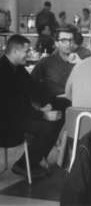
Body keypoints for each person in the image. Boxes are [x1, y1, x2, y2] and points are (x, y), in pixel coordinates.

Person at [0, 35, 63, 178]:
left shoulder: (18, 69)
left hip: (18, 116)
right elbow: (12, 108)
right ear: (15, 51)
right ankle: (23, 165)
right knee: (47, 126)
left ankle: (36, 157)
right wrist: (43, 114)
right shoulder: (2, 71)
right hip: (6, 124)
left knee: (62, 106)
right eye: (26, 51)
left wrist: (48, 103)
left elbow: (35, 88)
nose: (29, 54)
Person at [31, 28, 75, 112]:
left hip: (75, 105)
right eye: (64, 40)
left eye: (71, 40)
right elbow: (31, 85)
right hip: (53, 105)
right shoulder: (46, 62)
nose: (68, 44)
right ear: (56, 43)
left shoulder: (80, 63)